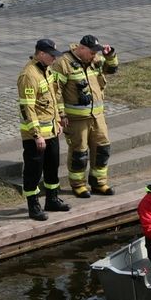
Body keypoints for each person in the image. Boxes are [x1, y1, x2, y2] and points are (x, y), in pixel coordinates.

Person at [52, 34, 119, 198]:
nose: (94, 55)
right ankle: (78, 185)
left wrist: (110, 55)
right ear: (81, 49)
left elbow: (111, 69)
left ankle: (99, 182)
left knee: (102, 149)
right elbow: (56, 91)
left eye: (96, 52)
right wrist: (61, 114)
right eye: (92, 52)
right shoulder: (63, 63)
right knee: (79, 153)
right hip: (76, 120)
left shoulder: (94, 59)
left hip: (97, 116)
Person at [17, 39, 71, 221]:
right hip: (36, 135)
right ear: (40, 54)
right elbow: (27, 108)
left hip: (52, 130)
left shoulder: (47, 70)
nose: (54, 60)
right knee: (34, 170)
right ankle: (33, 206)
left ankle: (52, 199)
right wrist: (36, 135)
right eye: (51, 56)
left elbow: (55, 96)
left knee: (52, 167)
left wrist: (60, 117)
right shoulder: (29, 75)